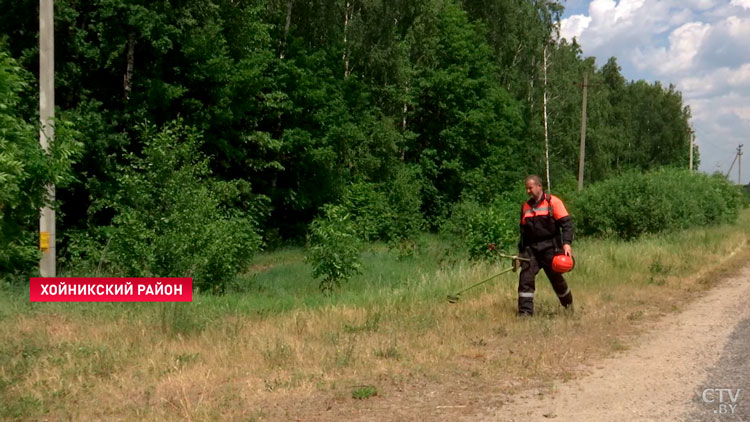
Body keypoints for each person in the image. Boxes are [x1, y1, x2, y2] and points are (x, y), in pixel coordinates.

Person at [517, 175, 574, 316]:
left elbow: (567, 225)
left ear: (539, 186)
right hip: (531, 250)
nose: (528, 191)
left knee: (556, 280)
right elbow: (523, 233)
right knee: (525, 280)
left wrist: (566, 244)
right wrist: (520, 253)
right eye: (527, 189)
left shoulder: (553, 202)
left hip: (551, 248)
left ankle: (568, 307)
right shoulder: (525, 207)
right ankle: (525, 314)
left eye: (530, 188)